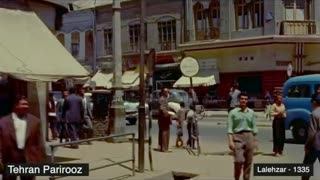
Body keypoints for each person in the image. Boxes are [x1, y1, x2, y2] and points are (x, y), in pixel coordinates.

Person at [0, 95, 46, 180]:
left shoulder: (35, 121)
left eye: (27, 104)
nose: (26, 106)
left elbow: (39, 142)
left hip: (28, 159)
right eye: (23, 104)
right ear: (16, 105)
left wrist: (40, 159)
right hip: (10, 159)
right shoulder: (3, 122)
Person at [227, 92, 258, 180]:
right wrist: (230, 141)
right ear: (239, 100)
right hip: (237, 137)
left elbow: (254, 127)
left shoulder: (251, 112)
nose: (243, 100)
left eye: (245, 99)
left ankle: (246, 178)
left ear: (247, 100)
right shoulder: (233, 112)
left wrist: (255, 141)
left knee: (248, 162)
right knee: (238, 160)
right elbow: (229, 128)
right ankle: (236, 177)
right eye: (242, 99)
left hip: (249, 136)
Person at [301, 93, 320, 180]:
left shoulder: (314, 113)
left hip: (315, 145)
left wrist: (307, 146)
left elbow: (312, 133)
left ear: (315, 102)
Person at [158, 88, 171, 152]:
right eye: (166, 92)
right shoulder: (162, 99)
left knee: (164, 132)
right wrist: (167, 113)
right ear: (163, 92)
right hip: (164, 119)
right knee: (165, 132)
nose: (167, 93)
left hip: (165, 119)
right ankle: (164, 148)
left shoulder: (165, 99)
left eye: (167, 91)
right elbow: (162, 108)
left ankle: (162, 147)